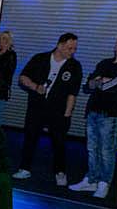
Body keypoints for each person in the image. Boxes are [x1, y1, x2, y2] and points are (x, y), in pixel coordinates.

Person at [70, 31, 117, 199]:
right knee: (92, 148)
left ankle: (104, 183)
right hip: (93, 111)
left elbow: (114, 87)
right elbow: (88, 85)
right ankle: (91, 179)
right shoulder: (105, 63)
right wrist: (100, 81)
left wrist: (100, 82)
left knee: (107, 151)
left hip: (112, 115)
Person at [13, 33, 83, 185]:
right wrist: (35, 86)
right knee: (30, 138)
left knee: (59, 142)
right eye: (70, 48)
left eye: (74, 49)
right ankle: (24, 168)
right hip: (36, 107)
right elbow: (23, 77)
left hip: (58, 111)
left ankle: (60, 172)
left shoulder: (75, 66)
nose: (72, 51)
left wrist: (67, 114)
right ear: (59, 45)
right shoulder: (40, 58)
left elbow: (73, 93)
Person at [0, 30, 17, 125]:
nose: (5, 41)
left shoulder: (11, 55)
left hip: (1, 89)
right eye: (2, 38)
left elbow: (8, 72)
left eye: (7, 38)